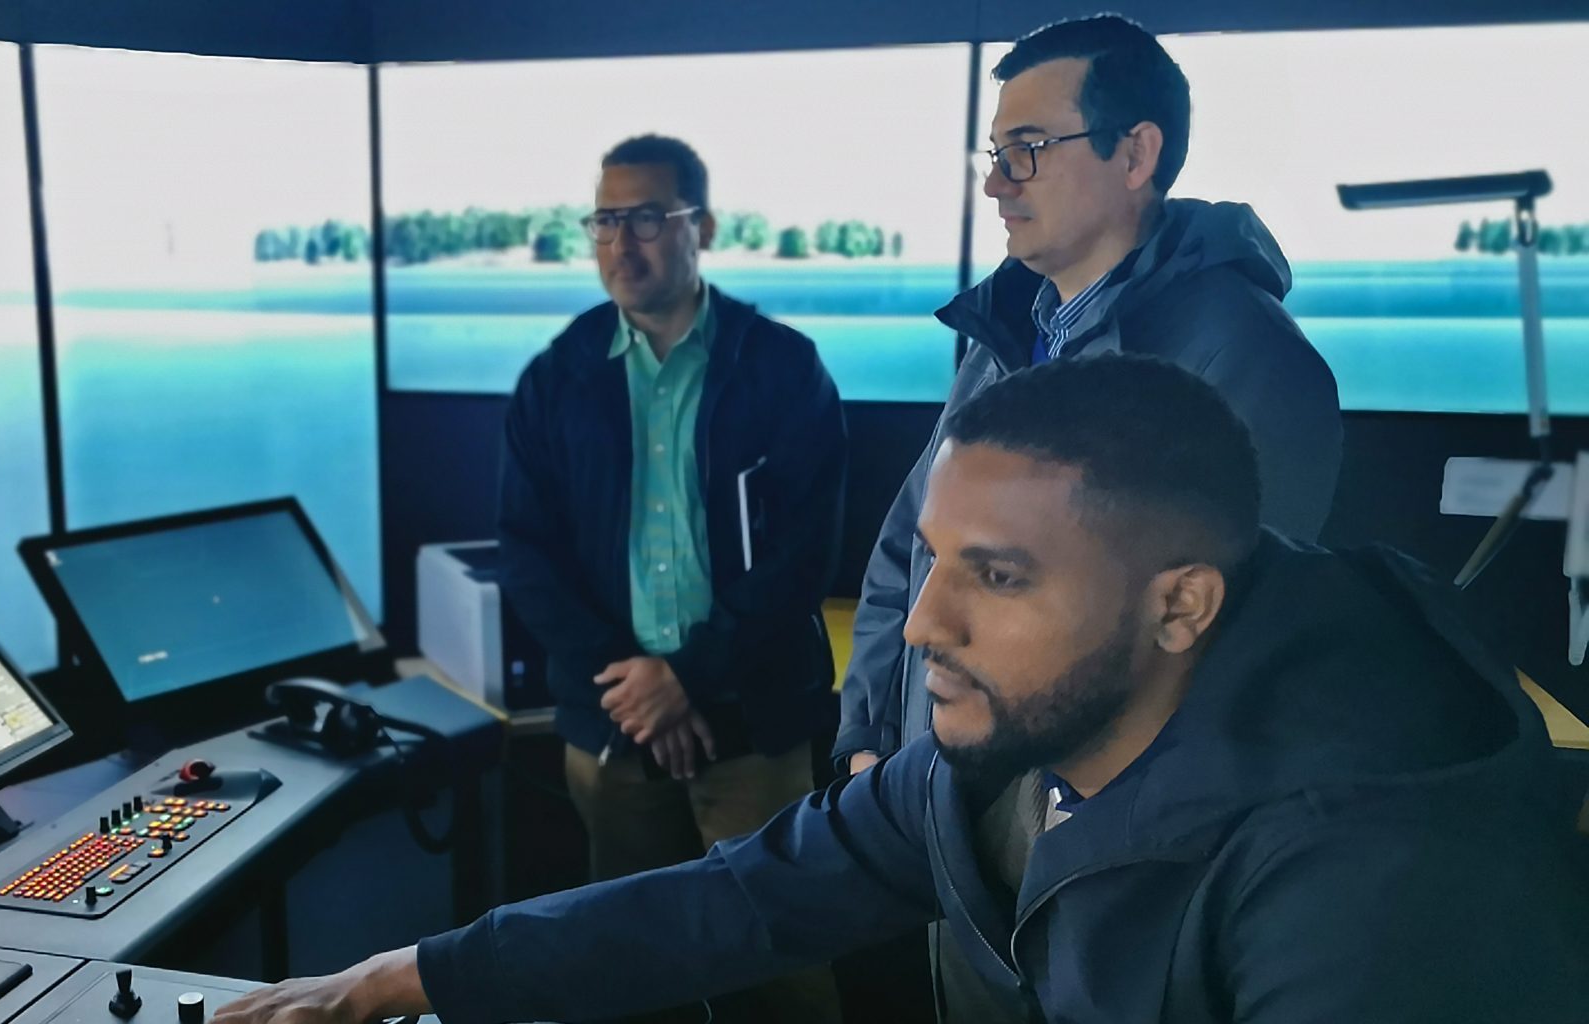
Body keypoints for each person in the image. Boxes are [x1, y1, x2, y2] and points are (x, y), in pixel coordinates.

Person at [212, 355, 1588, 1024]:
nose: (922, 626)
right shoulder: (1016, 728)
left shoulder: (1386, 879)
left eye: (995, 577)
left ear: (1179, 605)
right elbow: (748, 896)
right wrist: (408, 976)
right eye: (929, 562)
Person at [833, 19, 1343, 1013]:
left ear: (1135, 154)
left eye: (1027, 149)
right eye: (993, 154)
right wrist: (868, 735)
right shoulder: (1007, 336)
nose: (995, 184)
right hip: (947, 814)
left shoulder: (1245, 361)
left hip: (1091, 865)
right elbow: (907, 550)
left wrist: (1051, 825)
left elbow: (1210, 656)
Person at [495, 134, 846, 1021]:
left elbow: (805, 555)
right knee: (621, 968)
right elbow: (526, 553)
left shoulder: (782, 368)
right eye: (606, 219)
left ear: (704, 226)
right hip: (615, 729)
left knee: (779, 961)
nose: (623, 241)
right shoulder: (556, 377)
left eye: (648, 217)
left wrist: (686, 676)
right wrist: (634, 686)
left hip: (754, 722)